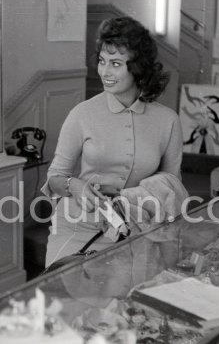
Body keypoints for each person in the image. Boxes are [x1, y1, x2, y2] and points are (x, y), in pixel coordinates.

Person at [41, 16, 183, 266]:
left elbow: (171, 185)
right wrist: (75, 186)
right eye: (102, 61)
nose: (104, 72)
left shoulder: (168, 120)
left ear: (137, 68)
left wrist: (139, 201)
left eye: (116, 63)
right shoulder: (82, 114)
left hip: (138, 232)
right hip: (78, 228)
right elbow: (55, 178)